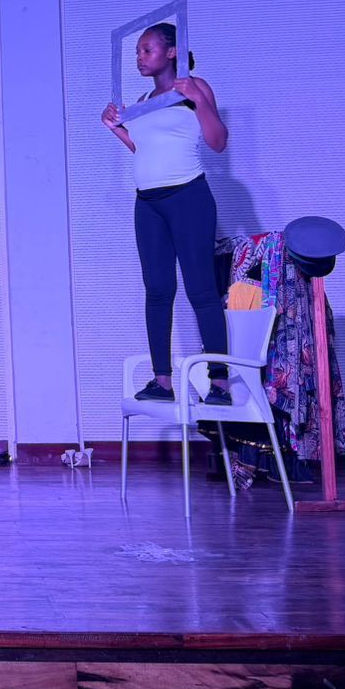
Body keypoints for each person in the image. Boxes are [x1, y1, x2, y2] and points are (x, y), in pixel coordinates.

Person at [101, 24, 232, 406]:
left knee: (201, 290)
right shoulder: (143, 100)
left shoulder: (194, 87)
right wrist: (116, 128)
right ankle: (162, 382)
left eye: (147, 50)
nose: (139, 58)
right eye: (137, 52)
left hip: (188, 196)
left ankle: (220, 384)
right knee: (157, 290)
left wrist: (199, 100)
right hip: (148, 203)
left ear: (172, 52)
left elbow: (218, 142)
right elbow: (144, 149)